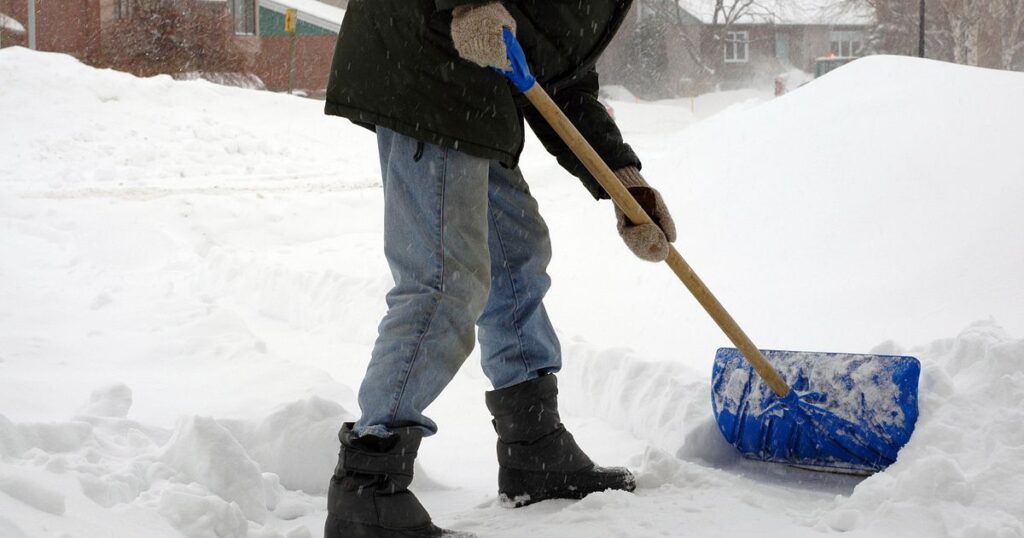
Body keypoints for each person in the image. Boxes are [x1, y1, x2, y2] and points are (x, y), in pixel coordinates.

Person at [322, 1, 676, 536]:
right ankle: (368, 487)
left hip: (477, 87)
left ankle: (534, 446)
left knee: (517, 253)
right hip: (430, 58)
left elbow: (560, 78)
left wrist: (622, 180)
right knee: (444, 280)